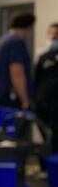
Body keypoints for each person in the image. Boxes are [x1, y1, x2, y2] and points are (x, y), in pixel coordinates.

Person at [0, 13, 35, 109]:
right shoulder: (16, 43)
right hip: (14, 97)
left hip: (2, 94)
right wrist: (25, 100)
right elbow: (17, 74)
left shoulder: (3, 41)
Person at [35, 23, 58, 152]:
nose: (53, 37)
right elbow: (37, 79)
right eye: (51, 34)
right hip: (44, 104)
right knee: (45, 136)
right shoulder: (44, 57)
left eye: (56, 34)